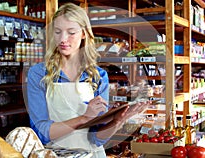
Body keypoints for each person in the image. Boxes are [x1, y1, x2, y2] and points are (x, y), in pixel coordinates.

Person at [26, 3, 149, 157]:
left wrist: (118, 121)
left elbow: (96, 139)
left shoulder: (98, 76)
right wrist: (85, 118)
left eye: (71, 32)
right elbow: (42, 132)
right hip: (55, 155)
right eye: (57, 32)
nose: (63, 39)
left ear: (84, 33)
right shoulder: (38, 74)